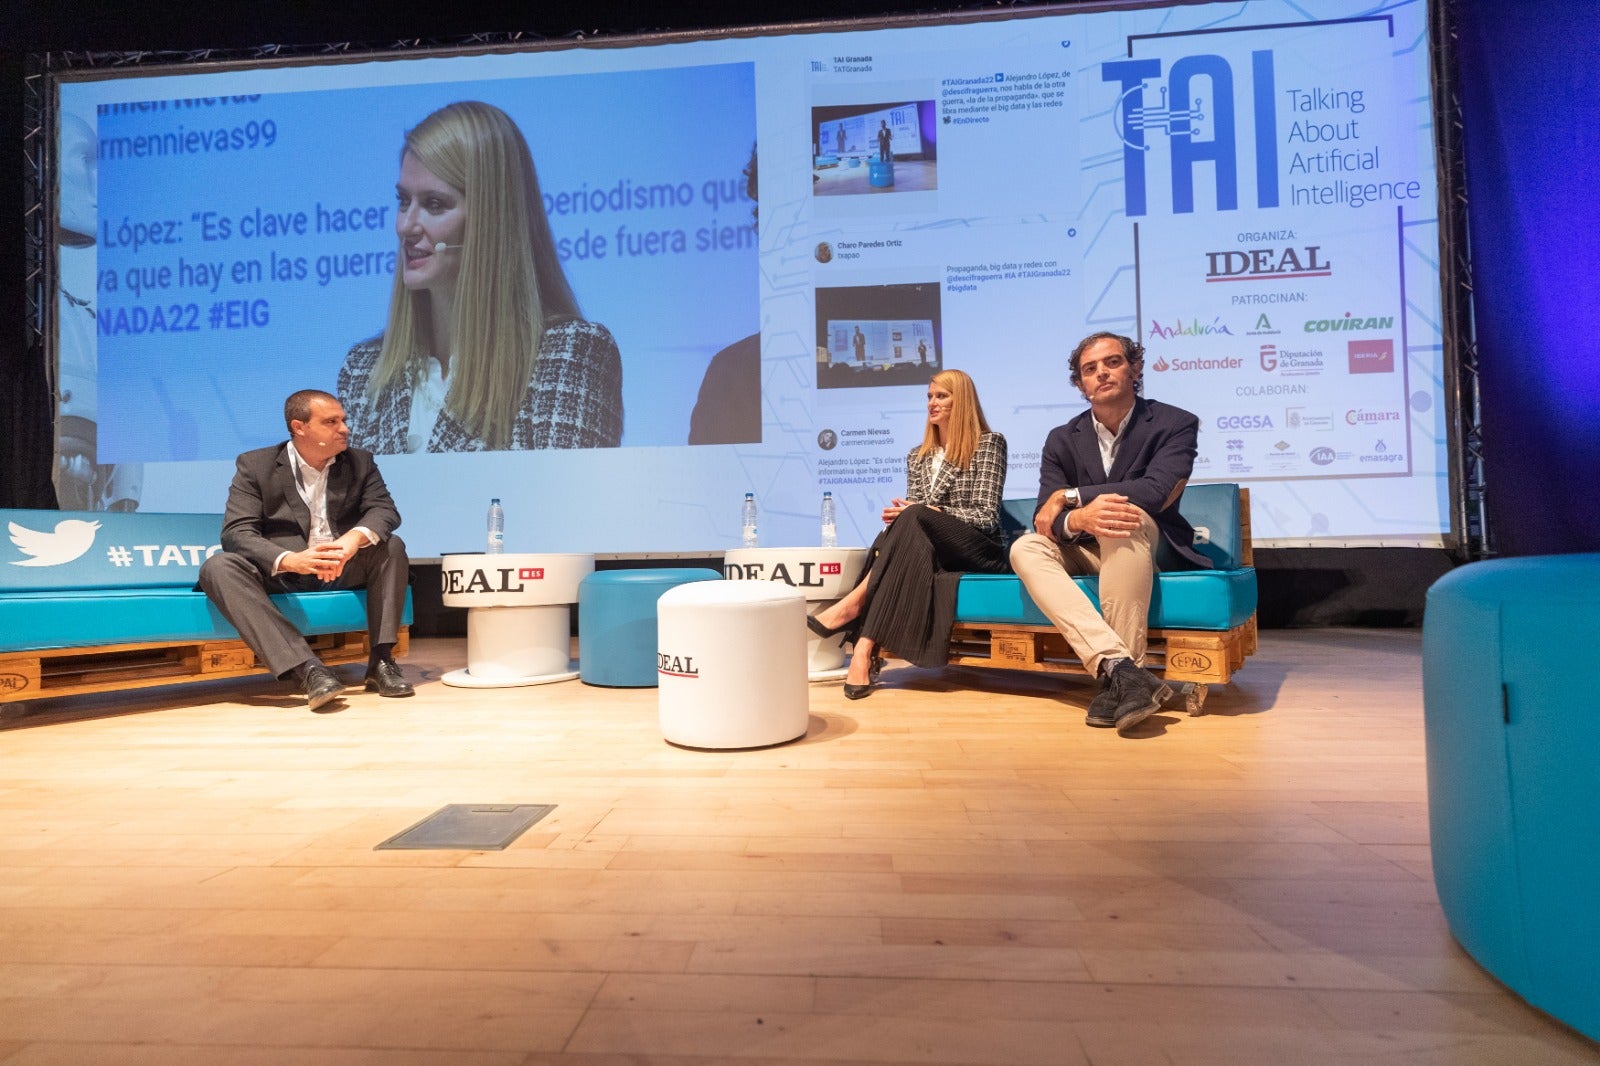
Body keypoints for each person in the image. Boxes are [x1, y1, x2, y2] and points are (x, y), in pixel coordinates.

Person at [339, 101, 623, 453]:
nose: (405, 226)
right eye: (403, 201)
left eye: (434, 204)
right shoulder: (363, 372)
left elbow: (569, 507)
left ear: (492, 217)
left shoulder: (568, 356)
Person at [1009, 331, 1210, 735]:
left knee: (1120, 517)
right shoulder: (1062, 438)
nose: (1101, 373)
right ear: (1081, 384)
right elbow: (1043, 518)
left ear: (1134, 369)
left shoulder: (1175, 423)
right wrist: (1077, 519)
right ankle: (1123, 671)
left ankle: (1121, 678)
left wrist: (1073, 496)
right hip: (1087, 547)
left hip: (1147, 543)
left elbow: (1153, 491)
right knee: (1025, 548)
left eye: (1112, 362)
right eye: (1090, 369)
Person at [199, 390, 413, 713]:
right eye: (331, 422)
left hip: (341, 566)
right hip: (285, 573)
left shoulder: (360, 462)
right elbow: (236, 532)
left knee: (391, 546)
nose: (344, 428)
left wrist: (350, 542)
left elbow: (385, 511)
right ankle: (310, 671)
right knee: (217, 568)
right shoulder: (255, 466)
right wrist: (291, 560)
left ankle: (381, 663)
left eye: (343, 420)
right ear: (299, 427)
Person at [807, 369, 1009, 698]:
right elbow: (915, 518)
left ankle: (854, 606)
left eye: (941, 396)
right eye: (929, 397)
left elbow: (986, 516)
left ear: (962, 401)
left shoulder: (988, 444)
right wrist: (905, 516)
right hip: (927, 546)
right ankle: (862, 650)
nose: (932, 403)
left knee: (912, 515)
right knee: (902, 524)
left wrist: (927, 512)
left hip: (976, 546)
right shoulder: (917, 456)